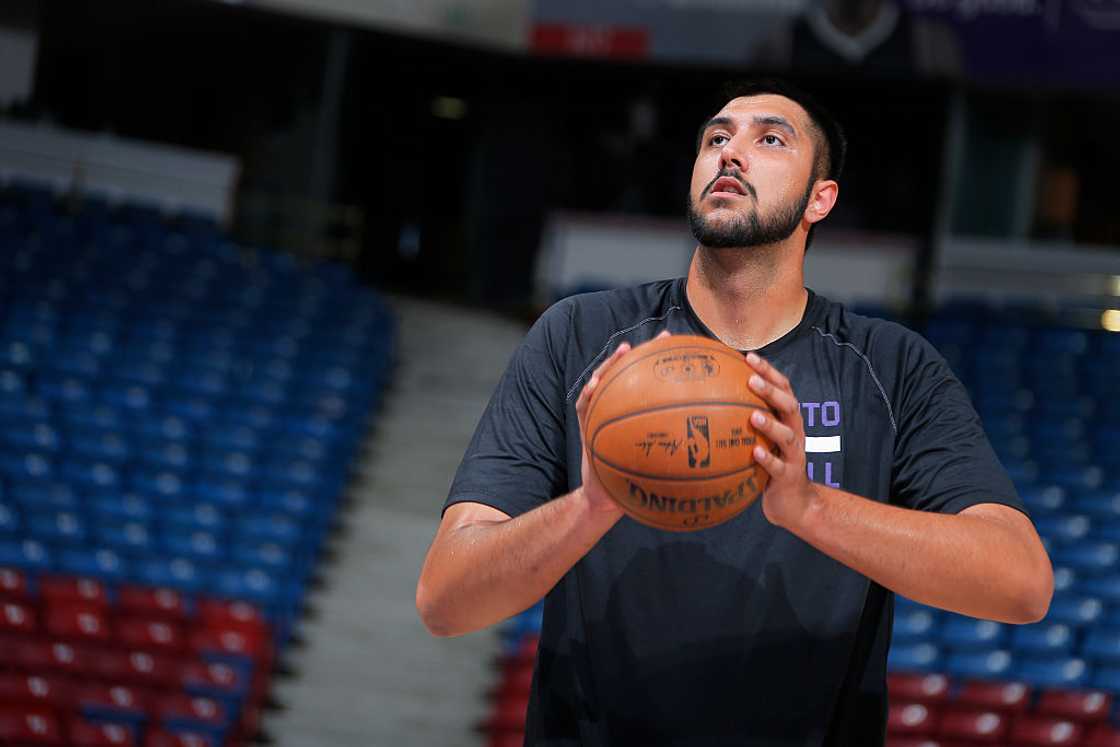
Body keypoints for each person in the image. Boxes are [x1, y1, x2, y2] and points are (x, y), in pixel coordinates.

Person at [416, 79, 1053, 746]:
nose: (730, 153)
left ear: (820, 198)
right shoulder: (580, 335)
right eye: (716, 138)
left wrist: (808, 507)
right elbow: (445, 599)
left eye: (769, 139)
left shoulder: (892, 366)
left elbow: (1020, 582)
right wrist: (591, 505)